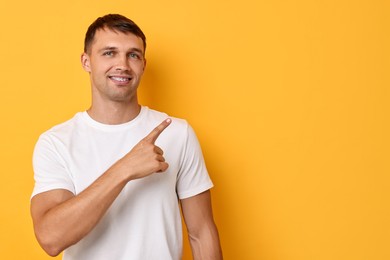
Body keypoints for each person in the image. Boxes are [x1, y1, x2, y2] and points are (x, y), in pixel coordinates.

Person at [30, 14, 222, 260]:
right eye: (109, 53)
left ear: (143, 64)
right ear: (86, 62)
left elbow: (201, 233)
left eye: (133, 54)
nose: (122, 64)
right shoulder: (56, 142)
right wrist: (125, 168)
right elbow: (51, 239)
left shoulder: (177, 133)